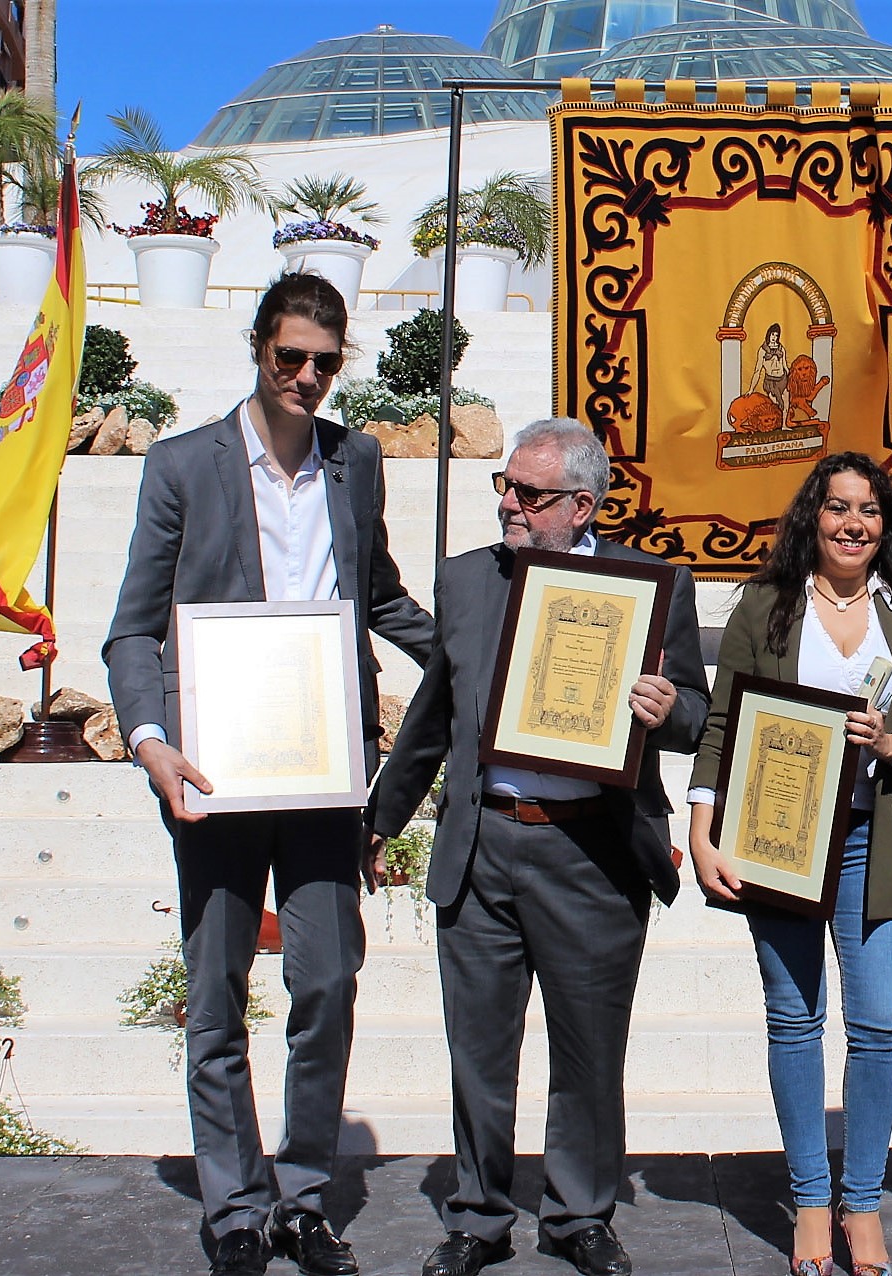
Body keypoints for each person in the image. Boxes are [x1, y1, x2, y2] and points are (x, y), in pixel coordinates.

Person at [104, 272, 435, 1276]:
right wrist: (149, 738)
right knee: (215, 992)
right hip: (216, 768)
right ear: (258, 348)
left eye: (325, 364)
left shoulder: (356, 460)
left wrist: (482, 649)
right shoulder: (181, 466)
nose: (305, 378)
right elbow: (131, 627)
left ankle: (300, 1193)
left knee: (328, 980)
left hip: (327, 770)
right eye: (289, 357)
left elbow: (379, 596)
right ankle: (233, 1202)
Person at [365, 419, 707, 1276]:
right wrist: (381, 818)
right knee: (478, 1051)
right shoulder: (468, 581)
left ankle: (578, 1214)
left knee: (589, 1052)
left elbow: (705, 714)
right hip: (484, 844)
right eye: (504, 487)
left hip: (590, 853)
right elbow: (433, 714)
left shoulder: (651, 584)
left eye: (530, 494)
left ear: (583, 504)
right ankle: (478, 1216)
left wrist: (669, 712)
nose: (510, 505)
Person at [688, 451, 892, 1276]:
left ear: (884, 526)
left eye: (868, 512)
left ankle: (860, 1204)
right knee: (794, 1023)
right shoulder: (766, 605)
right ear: (813, 516)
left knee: (876, 1026)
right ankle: (808, 1200)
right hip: (780, 841)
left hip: (877, 840)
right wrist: (701, 829)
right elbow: (722, 724)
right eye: (837, 508)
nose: (851, 525)